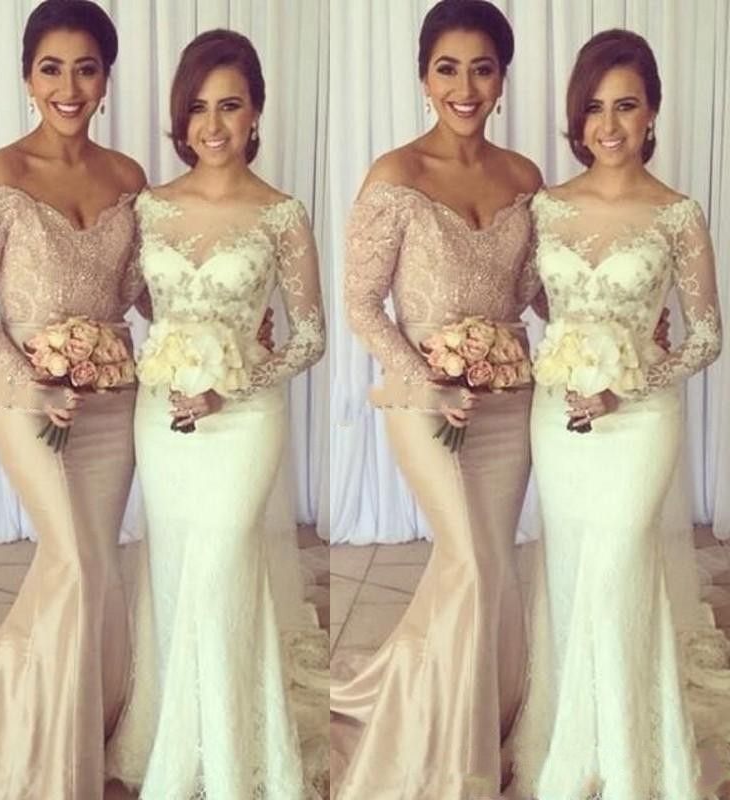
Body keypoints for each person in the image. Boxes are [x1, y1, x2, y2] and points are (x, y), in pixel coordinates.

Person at [105, 29, 329, 800]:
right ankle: (177, 733)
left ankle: (235, 756)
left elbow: (312, 336)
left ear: (256, 112)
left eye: (230, 106)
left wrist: (230, 381)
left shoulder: (282, 215)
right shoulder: (151, 207)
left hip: (244, 418)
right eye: (198, 107)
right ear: (181, 115)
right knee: (176, 569)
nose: (213, 124)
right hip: (164, 418)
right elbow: (135, 298)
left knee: (224, 561)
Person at [0, 1, 147, 798]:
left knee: (92, 564)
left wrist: (214, 315)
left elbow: (140, 292)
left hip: (113, 403)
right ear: (28, 77)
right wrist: (31, 379)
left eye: (86, 68)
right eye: (52, 68)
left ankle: (81, 716)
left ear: (105, 79)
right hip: (27, 402)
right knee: (79, 562)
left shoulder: (128, 177)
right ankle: (52, 758)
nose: (69, 86)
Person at [509, 29, 730, 800]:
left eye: (626, 106)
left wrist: (627, 380)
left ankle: (632, 763)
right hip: (560, 419)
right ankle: (577, 745)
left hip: (640, 421)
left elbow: (707, 336)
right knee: (574, 571)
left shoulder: (677, 215)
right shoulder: (546, 207)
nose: (609, 125)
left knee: (618, 567)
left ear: (652, 112)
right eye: (596, 107)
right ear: (578, 115)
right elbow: (530, 299)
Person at [331, 2, 544, 797]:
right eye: (448, 68)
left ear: (502, 79)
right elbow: (362, 305)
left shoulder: (524, 178)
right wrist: (427, 379)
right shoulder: (396, 177)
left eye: (482, 69)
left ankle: (485, 709)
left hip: (511, 404)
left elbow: (538, 293)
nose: (466, 87)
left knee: (488, 563)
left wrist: (617, 316)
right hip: (424, 403)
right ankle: (458, 758)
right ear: (424, 78)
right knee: (474, 559)